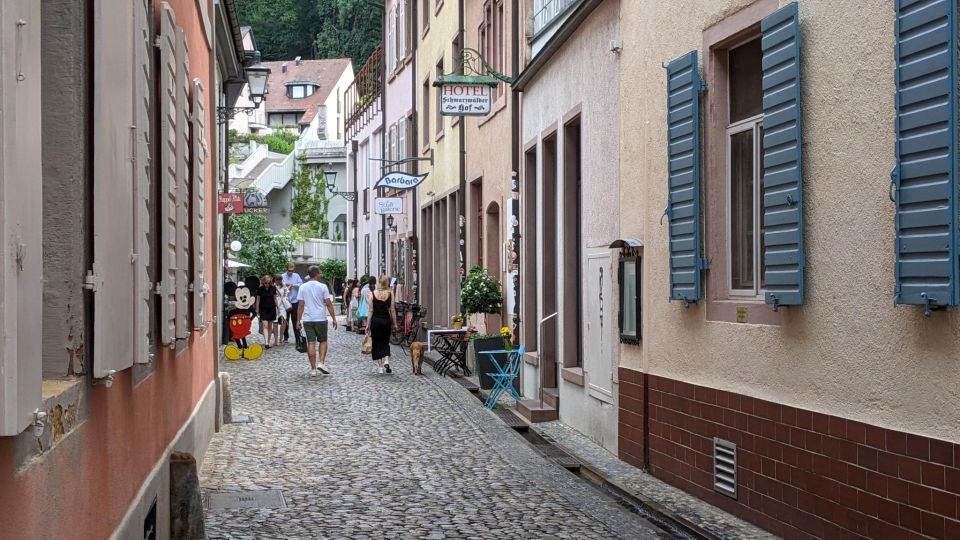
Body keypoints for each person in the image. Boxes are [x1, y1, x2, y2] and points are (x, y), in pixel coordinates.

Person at [296, 266, 338, 376]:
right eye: (320, 273)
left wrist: (298, 320)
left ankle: (313, 369)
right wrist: (334, 318)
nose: (321, 275)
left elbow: (300, 305)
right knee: (323, 341)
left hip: (308, 319)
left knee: (311, 342)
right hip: (320, 318)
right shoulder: (323, 287)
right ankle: (321, 363)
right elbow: (328, 304)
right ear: (316, 274)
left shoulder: (303, 287)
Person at [367, 275, 398, 374]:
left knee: (376, 343)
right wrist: (395, 323)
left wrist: (368, 324)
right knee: (385, 342)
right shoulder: (390, 293)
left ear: (379, 283)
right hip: (386, 321)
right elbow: (392, 310)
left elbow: (370, 310)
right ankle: (386, 361)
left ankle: (380, 367)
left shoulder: (372, 294)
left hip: (376, 321)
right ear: (387, 283)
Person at [255, 274, 279, 349]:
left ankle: (268, 341)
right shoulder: (260, 289)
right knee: (265, 326)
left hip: (271, 309)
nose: (267, 284)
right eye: (266, 283)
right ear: (263, 282)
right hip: (263, 309)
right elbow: (258, 300)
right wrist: (257, 310)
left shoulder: (273, 288)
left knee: (270, 326)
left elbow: (275, 299)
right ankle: (266, 342)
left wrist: (278, 307)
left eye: (268, 283)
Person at [282, 263, 303, 343]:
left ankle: (297, 337)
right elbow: (279, 285)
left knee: (295, 320)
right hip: (286, 301)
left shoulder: (296, 276)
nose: (290, 272)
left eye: (292, 270)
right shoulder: (283, 276)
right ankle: (285, 337)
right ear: (286, 269)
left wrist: (292, 285)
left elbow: (301, 284)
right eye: (289, 270)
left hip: (295, 301)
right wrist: (286, 285)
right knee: (285, 320)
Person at [274, 275, 289, 345]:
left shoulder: (283, 285)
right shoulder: (272, 286)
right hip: (274, 305)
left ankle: (281, 337)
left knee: (284, 321)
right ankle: (276, 339)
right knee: (275, 322)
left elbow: (286, 292)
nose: (279, 281)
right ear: (275, 280)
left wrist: (286, 298)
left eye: (280, 280)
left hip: (282, 305)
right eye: (278, 280)